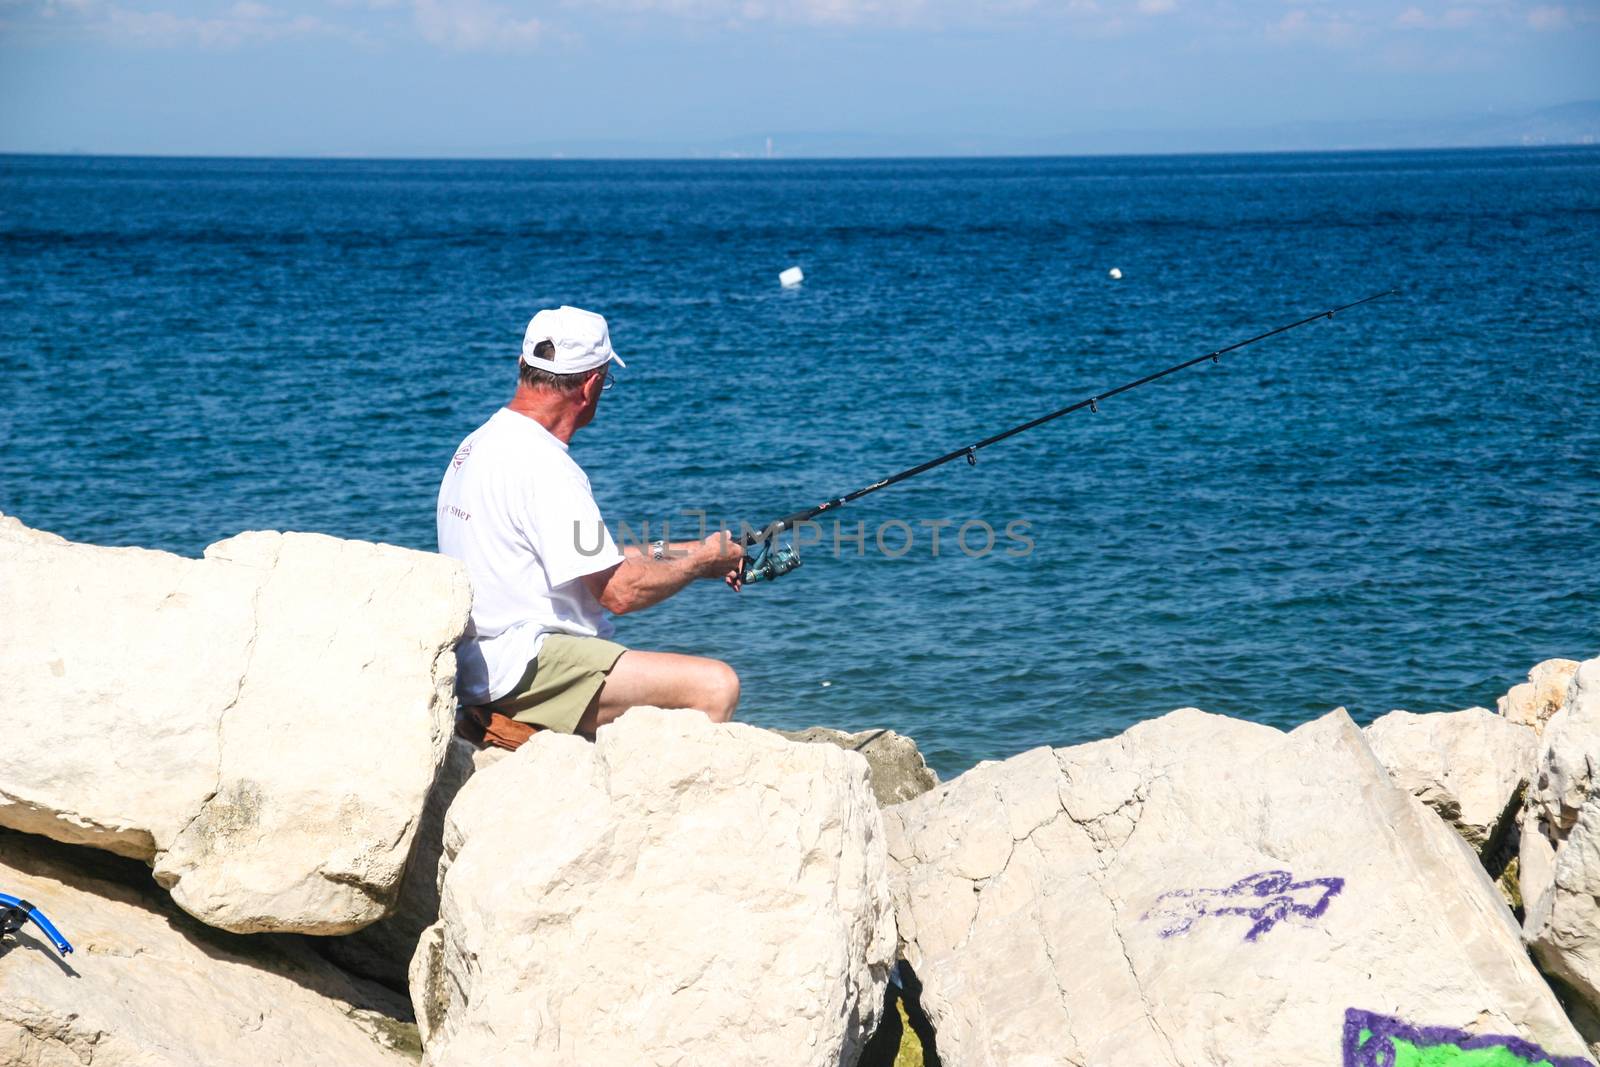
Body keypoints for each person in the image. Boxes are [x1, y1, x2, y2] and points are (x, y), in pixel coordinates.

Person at [437, 305, 745, 749]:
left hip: (482, 663)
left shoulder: (480, 444)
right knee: (715, 687)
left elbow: (589, 558)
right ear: (591, 384)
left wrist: (692, 550)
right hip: (525, 666)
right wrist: (699, 565)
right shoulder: (545, 467)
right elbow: (619, 593)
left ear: (525, 367)